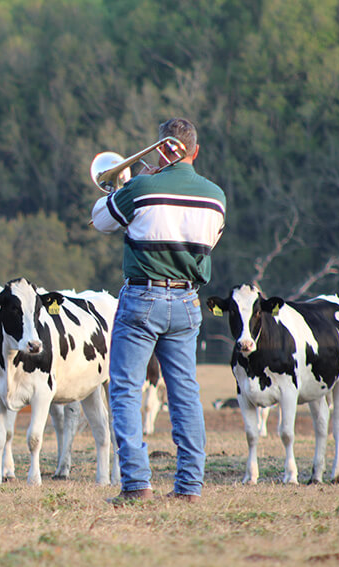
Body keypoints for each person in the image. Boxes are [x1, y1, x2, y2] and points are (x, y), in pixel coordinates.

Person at [90, 118, 226, 504]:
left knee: (126, 391)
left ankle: (136, 485)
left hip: (142, 299)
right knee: (185, 394)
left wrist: (127, 183)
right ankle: (189, 488)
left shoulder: (142, 186)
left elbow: (101, 220)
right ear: (194, 152)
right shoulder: (216, 196)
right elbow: (209, 242)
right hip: (187, 302)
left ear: (163, 148)